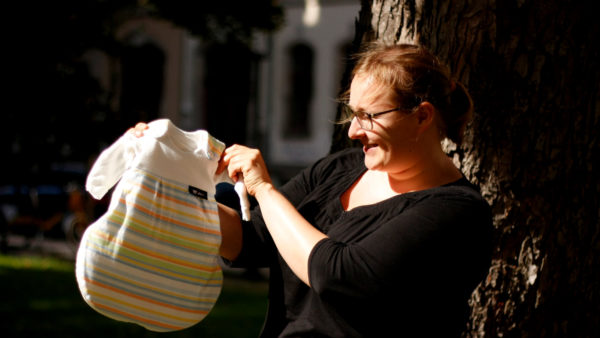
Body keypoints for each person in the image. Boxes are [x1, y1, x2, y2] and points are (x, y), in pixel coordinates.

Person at [131, 42, 492, 337]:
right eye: (353, 114)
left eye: (369, 116)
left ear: (422, 117)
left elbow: (338, 276)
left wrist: (264, 189)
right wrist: (167, 177)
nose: (353, 131)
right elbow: (252, 239)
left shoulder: (457, 213)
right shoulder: (339, 169)